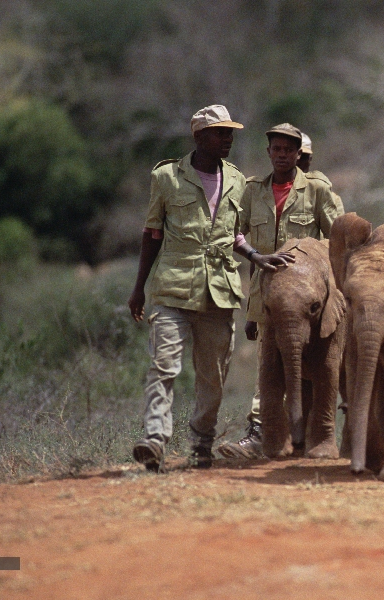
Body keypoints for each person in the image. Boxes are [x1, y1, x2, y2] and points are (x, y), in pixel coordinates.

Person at [128, 105, 293, 471]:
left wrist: (256, 256)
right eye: (221, 133)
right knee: (164, 366)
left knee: (213, 375)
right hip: (172, 287)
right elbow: (152, 233)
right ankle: (155, 438)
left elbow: (234, 235)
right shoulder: (168, 177)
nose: (228, 140)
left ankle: (201, 442)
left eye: (230, 133)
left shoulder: (237, 180)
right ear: (199, 136)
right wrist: (138, 288)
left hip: (219, 290)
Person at [217, 123, 344, 459]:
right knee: (271, 367)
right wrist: (254, 268)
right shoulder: (252, 191)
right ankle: (267, 435)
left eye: (291, 149)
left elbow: (339, 239)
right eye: (277, 149)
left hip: (311, 298)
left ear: (300, 153)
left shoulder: (316, 190)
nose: (284, 155)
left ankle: (304, 434)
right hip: (267, 298)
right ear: (269, 152)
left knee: (310, 366)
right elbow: (231, 232)